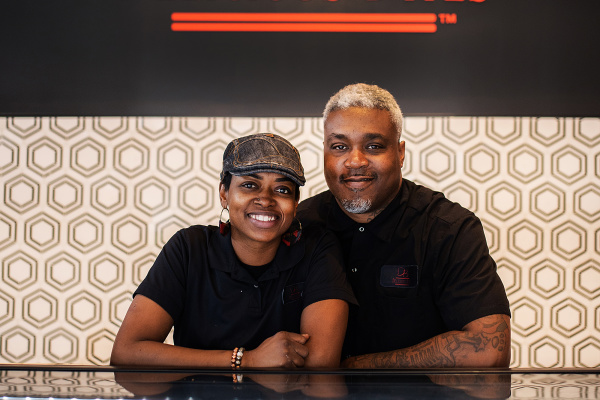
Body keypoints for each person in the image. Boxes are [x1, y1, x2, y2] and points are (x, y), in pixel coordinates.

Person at [297, 83, 511, 368]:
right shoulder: (299, 225)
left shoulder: (449, 228)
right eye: (339, 147)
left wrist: (360, 368)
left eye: (373, 146)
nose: (355, 161)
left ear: (400, 153)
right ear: (324, 152)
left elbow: (489, 351)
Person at [111, 133, 356, 369]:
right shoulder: (189, 248)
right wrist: (246, 360)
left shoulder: (317, 248)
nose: (266, 199)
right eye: (249, 185)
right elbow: (127, 352)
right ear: (224, 194)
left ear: (294, 204)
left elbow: (320, 364)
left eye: (282, 190)